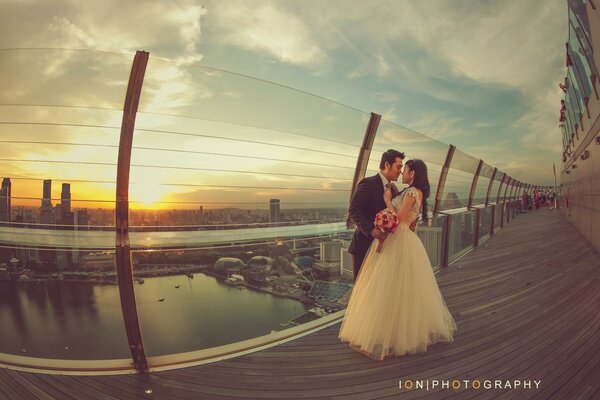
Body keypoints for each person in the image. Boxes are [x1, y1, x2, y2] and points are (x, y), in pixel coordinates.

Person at [339, 159, 456, 360]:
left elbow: (398, 219)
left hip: (398, 240)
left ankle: (387, 332)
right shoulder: (410, 192)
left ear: (413, 174)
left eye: (405, 170)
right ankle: (400, 330)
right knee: (399, 288)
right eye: (399, 168)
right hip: (404, 240)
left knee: (387, 286)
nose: (402, 172)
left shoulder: (410, 193)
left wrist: (386, 201)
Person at [347, 149, 405, 281]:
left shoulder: (392, 188)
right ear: (387, 165)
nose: (400, 171)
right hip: (364, 246)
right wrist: (371, 230)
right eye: (398, 166)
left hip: (383, 248)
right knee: (362, 289)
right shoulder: (368, 183)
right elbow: (353, 211)